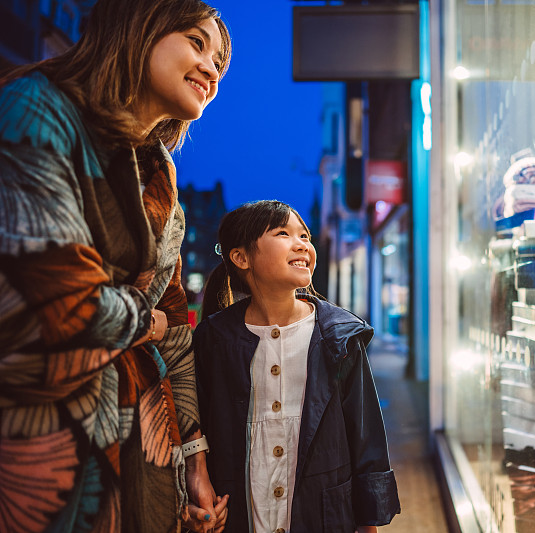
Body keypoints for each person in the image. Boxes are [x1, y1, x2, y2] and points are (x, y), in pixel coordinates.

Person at [0, 1, 232, 531]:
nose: (212, 69)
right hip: (35, 441)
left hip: (138, 450)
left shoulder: (158, 176)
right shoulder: (34, 110)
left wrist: (194, 462)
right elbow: (64, 302)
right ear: (140, 25)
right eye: (197, 43)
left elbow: (174, 330)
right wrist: (143, 322)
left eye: (219, 61)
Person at [193, 200, 401, 533]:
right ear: (241, 257)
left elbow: (367, 440)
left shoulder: (340, 336)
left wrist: (369, 524)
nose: (302, 243)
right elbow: (195, 423)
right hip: (241, 519)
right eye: (283, 233)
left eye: (304, 235)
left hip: (325, 518)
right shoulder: (213, 339)